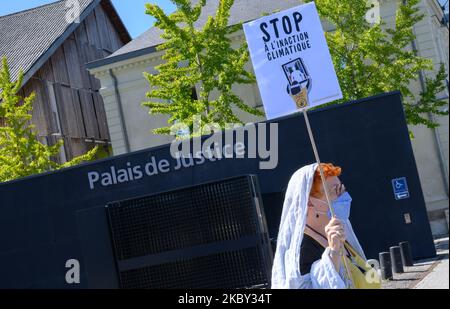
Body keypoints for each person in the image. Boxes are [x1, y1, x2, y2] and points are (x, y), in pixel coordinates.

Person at [271, 163, 372, 289]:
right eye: (335, 190)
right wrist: (334, 252)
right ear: (309, 203)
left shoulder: (340, 234)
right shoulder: (304, 250)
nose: (343, 196)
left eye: (342, 189)